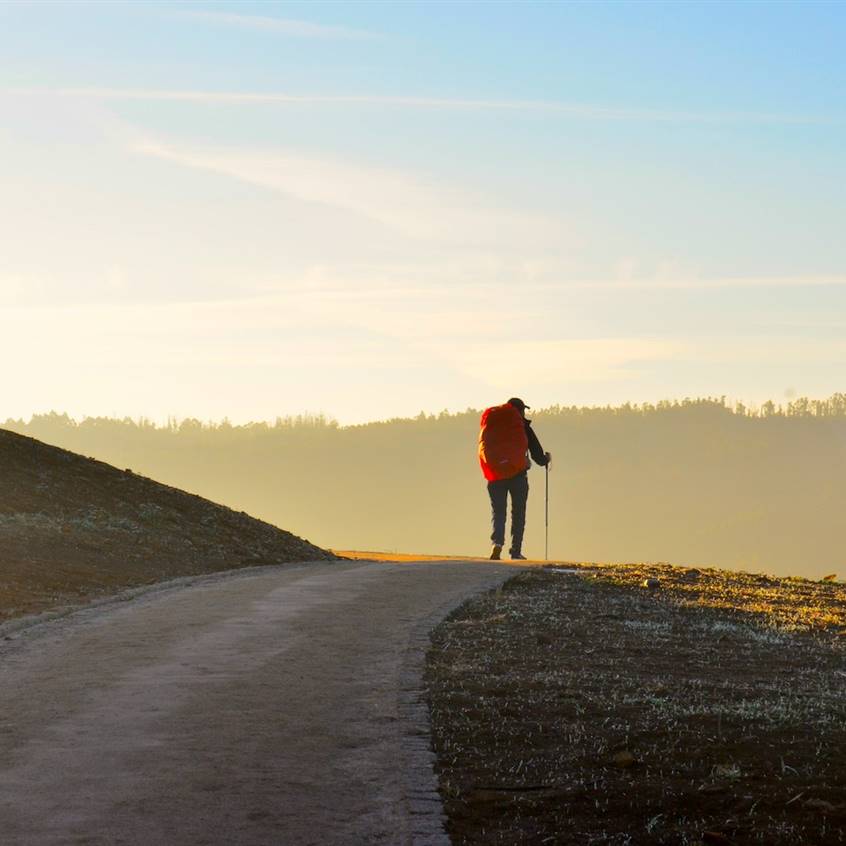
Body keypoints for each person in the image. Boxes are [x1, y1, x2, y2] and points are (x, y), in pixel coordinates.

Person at [480, 397, 551, 561]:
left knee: (498, 512)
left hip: (495, 476)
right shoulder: (521, 426)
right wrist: (545, 459)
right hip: (518, 476)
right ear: (519, 410)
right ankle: (515, 551)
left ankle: (497, 544)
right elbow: (537, 454)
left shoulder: (492, 424)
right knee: (518, 513)